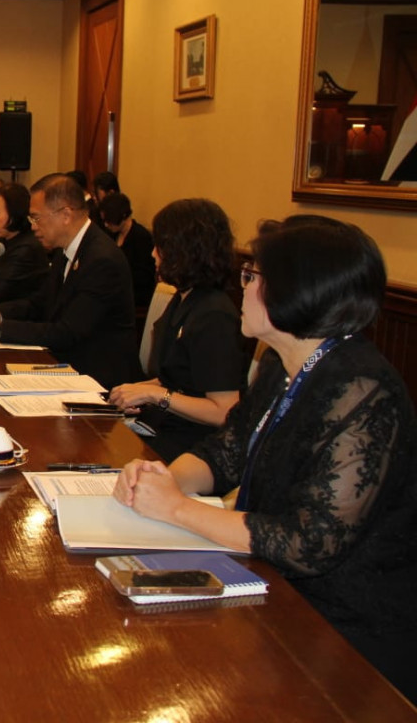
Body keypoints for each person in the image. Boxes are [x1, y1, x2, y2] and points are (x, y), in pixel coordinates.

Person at [113, 216, 417, 702]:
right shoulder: (281, 365)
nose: (242, 287)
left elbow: (308, 542)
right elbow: (227, 451)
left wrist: (176, 508)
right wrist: (159, 478)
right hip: (269, 584)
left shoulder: (364, 392)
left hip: (345, 631)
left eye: (252, 276)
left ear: (298, 290)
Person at [0, 173, 142, 388]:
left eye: (36, 218)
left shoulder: (101, 259)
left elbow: (67, 332)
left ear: (65, 215)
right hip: (65, 362)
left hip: (98, 376)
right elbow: (40, 303)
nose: (33, 226)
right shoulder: (65, 250)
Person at [108, 199, 243, 461]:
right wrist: (132, 391)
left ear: (184, 250)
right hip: (164, 426)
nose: (153, 254)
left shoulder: (214, 315)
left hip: (194, 446)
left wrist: (153, 394)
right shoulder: (185, 297)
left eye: (160, 246)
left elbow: (224, 411)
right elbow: (177, 377)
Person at [98, 192, 156, 308]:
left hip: (134, 294)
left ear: (123, 216)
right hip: (114, 289)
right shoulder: (112, 235)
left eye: (109, 221)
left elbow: (144, 276)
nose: (106, 225)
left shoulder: (141, 237)